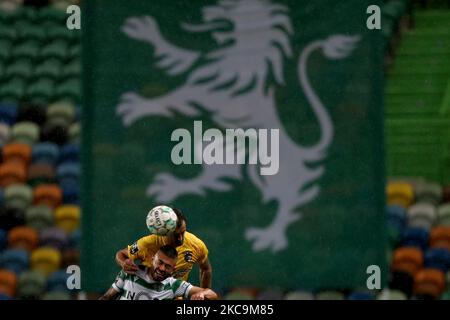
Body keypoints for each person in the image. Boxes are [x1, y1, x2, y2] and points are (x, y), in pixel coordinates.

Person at [115, 207, 212, 288]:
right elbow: (121, 254)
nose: (180, 239)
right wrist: (124, 263)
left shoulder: (196, 245)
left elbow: (206, 269)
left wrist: (204, 294)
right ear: (164, 233)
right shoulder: (147, 244)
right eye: (176, 235)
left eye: (183, 232)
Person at [100, 245, 218, 300]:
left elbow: (212, 294)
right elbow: (108, 297)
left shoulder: (174, 285)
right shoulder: (131, 273)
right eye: (160, 262)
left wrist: (202, 294)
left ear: (173, 269)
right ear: (152, 260)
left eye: (168, 266)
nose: (162, 268)